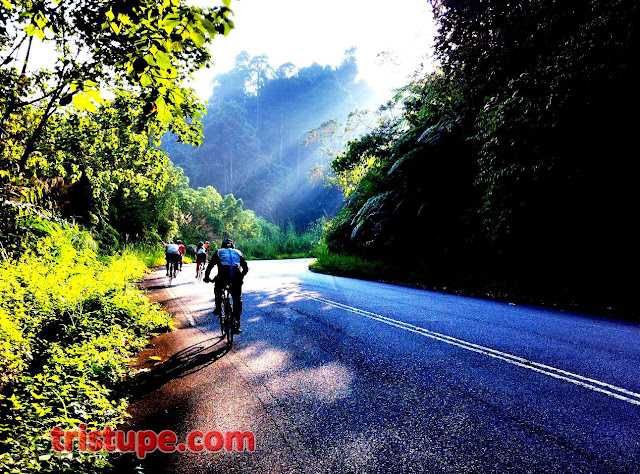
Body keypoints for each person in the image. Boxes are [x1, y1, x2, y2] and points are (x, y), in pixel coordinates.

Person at [203, 238, 249, 334]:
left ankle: (218, 308)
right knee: (237, 300)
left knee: (218, 289)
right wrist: (241, 276)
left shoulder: (218, 252)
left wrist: (207, 277)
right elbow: (245, 268)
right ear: (233, 246)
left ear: (222, 245)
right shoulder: (238, 252)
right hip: (236, 277)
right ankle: (236, 324)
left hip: (223, 276)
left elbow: (210, 266)